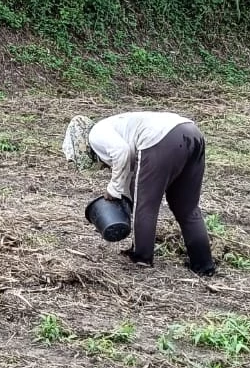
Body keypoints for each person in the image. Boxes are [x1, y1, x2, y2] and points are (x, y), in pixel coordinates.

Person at [63, 112, 217, 276]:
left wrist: (113, 189)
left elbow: (122, 153)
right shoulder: (117, 125)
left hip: (161, 140)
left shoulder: (95, 134)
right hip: (191, 132)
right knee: (187, 209)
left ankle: (141, 258)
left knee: (145, 206)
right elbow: (132, 173)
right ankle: (203, 265)